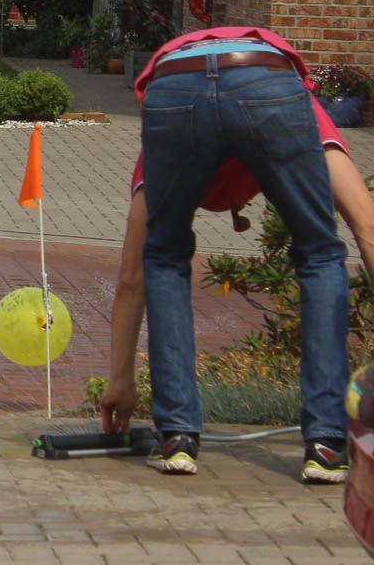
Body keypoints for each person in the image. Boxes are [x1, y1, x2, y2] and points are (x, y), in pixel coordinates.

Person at [103, 25, 360, 481]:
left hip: (174, 87)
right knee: (320, 252)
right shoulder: (298, 116)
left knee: (164, 255)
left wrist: (120, 379)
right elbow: (368, 227)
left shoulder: (161, 152)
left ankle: (177, 438)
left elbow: (133, 274)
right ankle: (326, 444)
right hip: (264, 77)